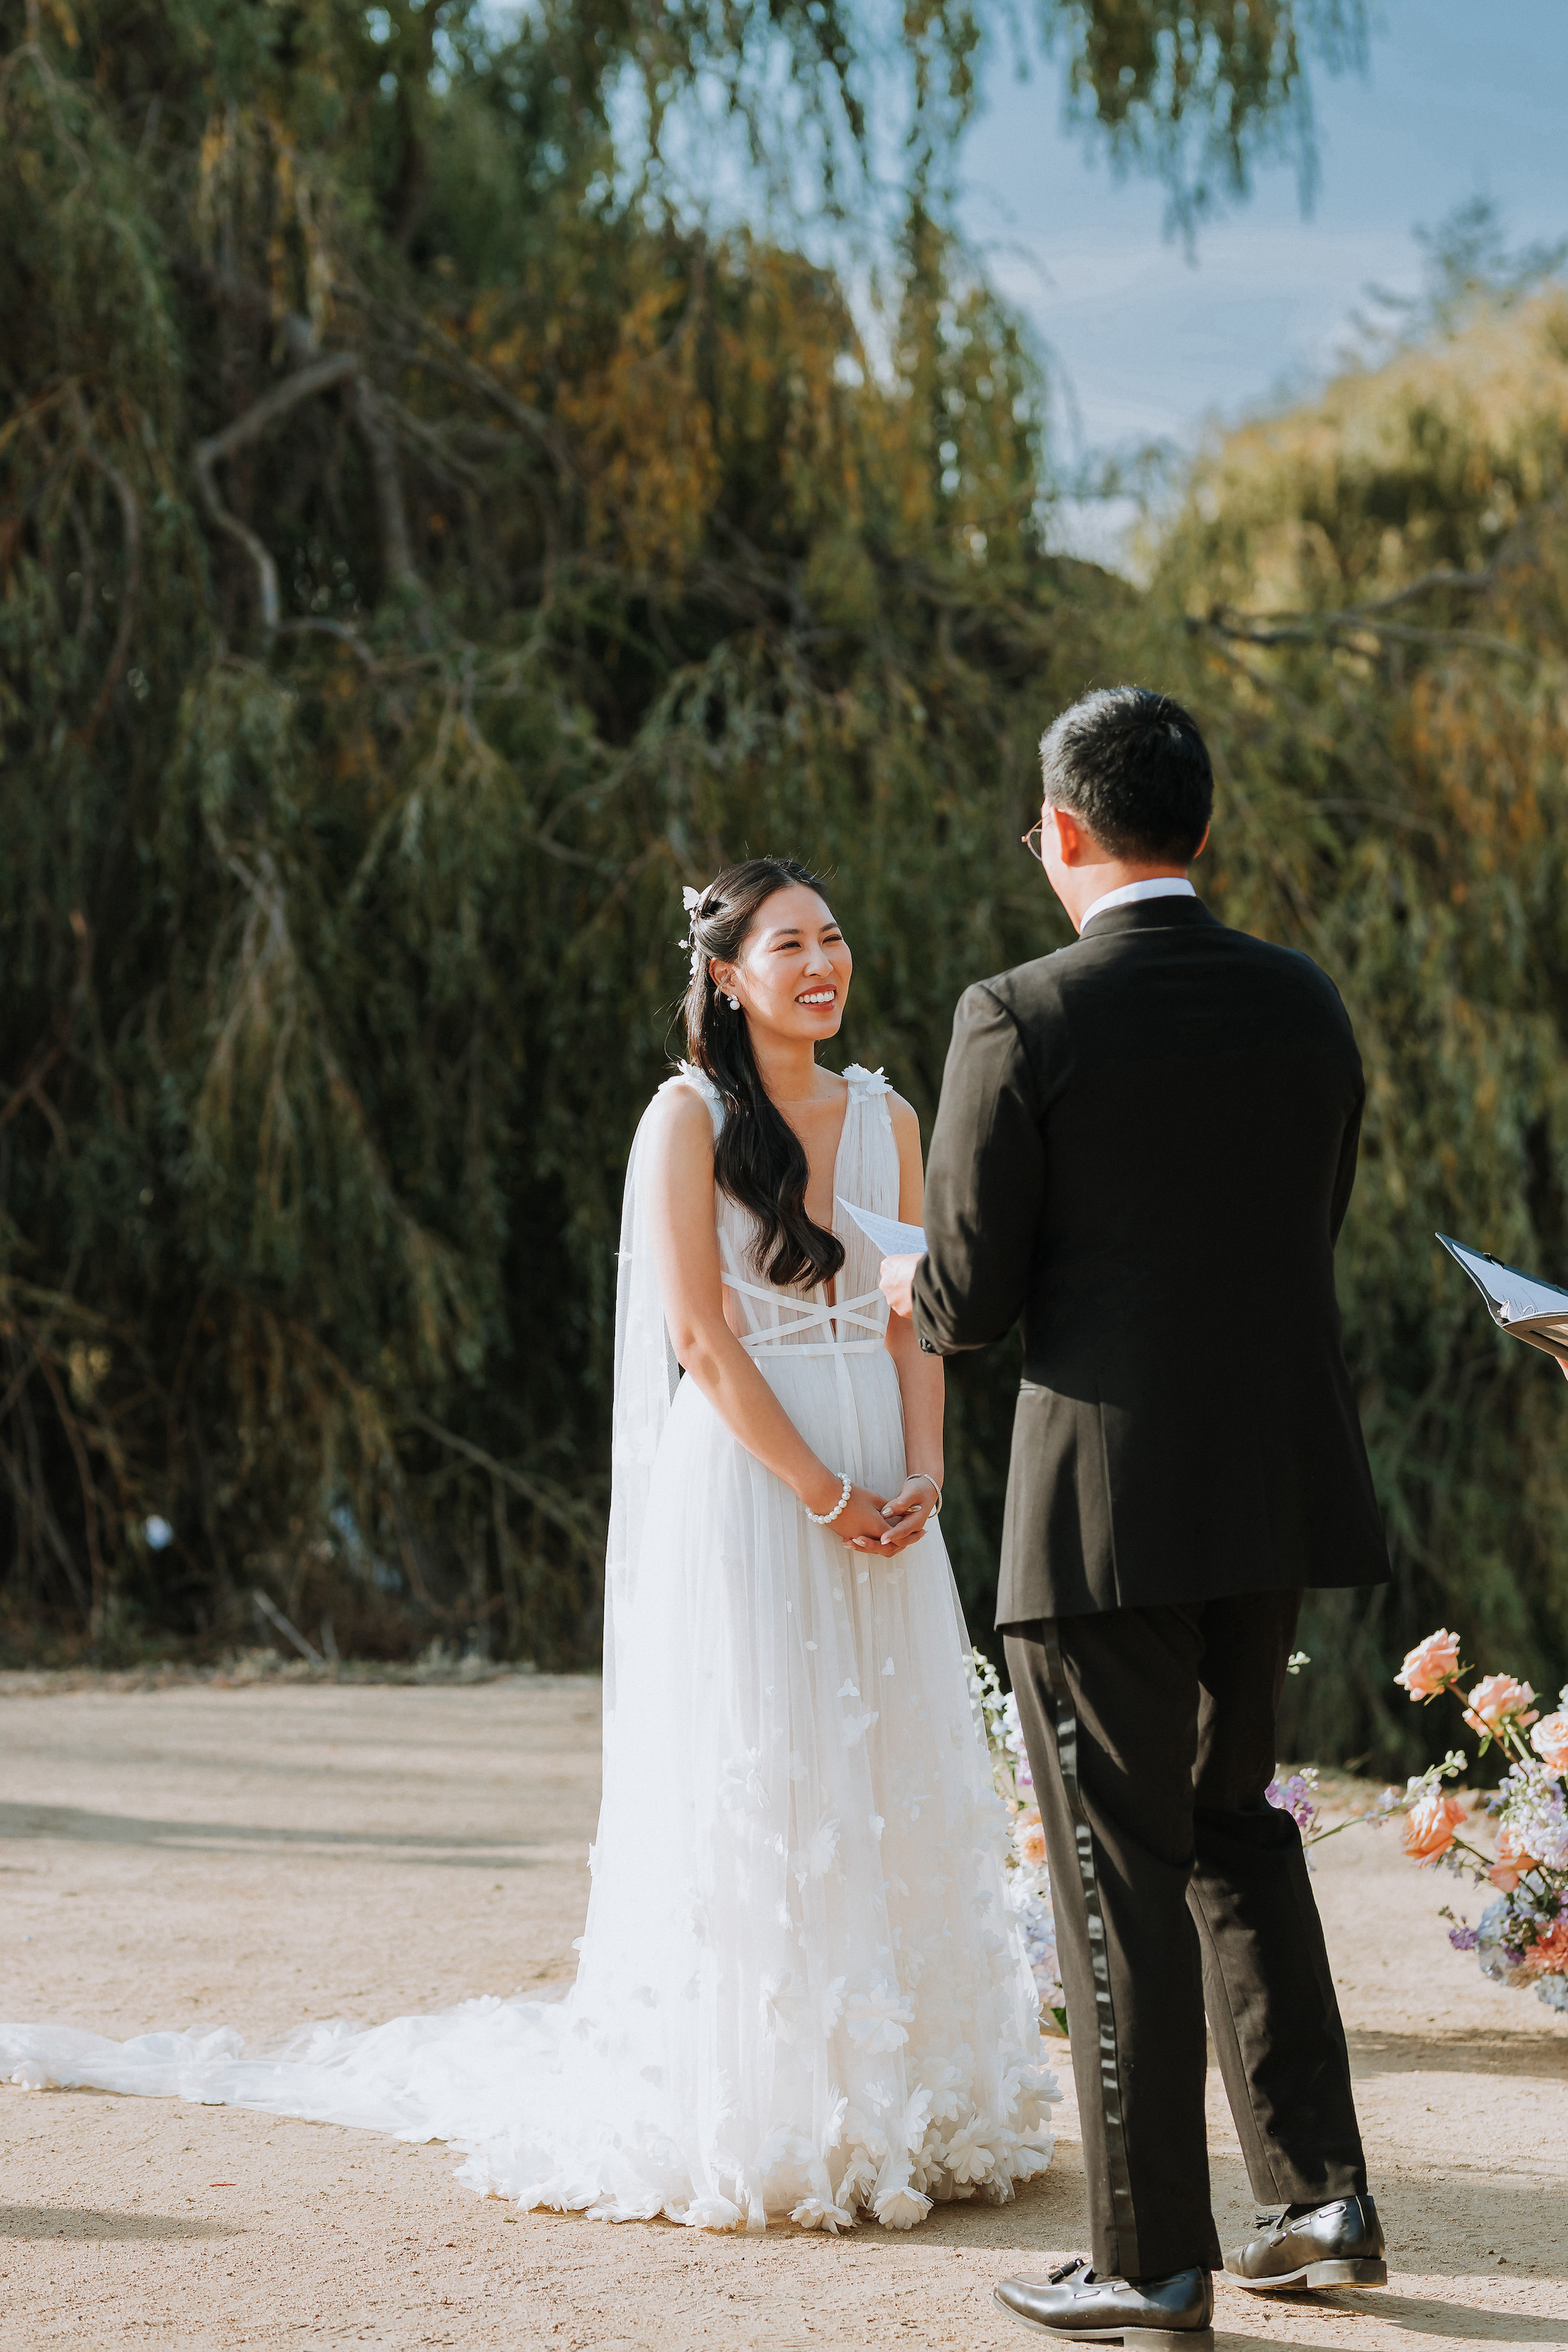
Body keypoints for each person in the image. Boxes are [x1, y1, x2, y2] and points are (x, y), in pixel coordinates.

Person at [1, 856, 1055, 2235]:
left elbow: (914, 1314)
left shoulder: (889, 1116)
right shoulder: (685, 1121)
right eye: (791, 944)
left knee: (885, 1762)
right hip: (753, 1482)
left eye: (836, 938)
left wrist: (918, 1473)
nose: (825, 965)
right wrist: (818, 1492)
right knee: (773, 1767)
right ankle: (772, 2100)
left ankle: (916, 2097)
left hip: (877, 1468)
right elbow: (699, 1339)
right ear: (727, 975)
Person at [881, 692, 1391, 2343]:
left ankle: (1147, 2255)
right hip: (1270, 1486)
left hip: (1098, 1510)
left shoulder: (1016, 1014)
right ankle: (1318, 2195)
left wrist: (899, 1272)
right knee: (1236, 1826)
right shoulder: (1303, 1004)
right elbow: (1301, 1225)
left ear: (1058, 831)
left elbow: (965, 1302)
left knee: (1120, 1875)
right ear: (1202, 827)